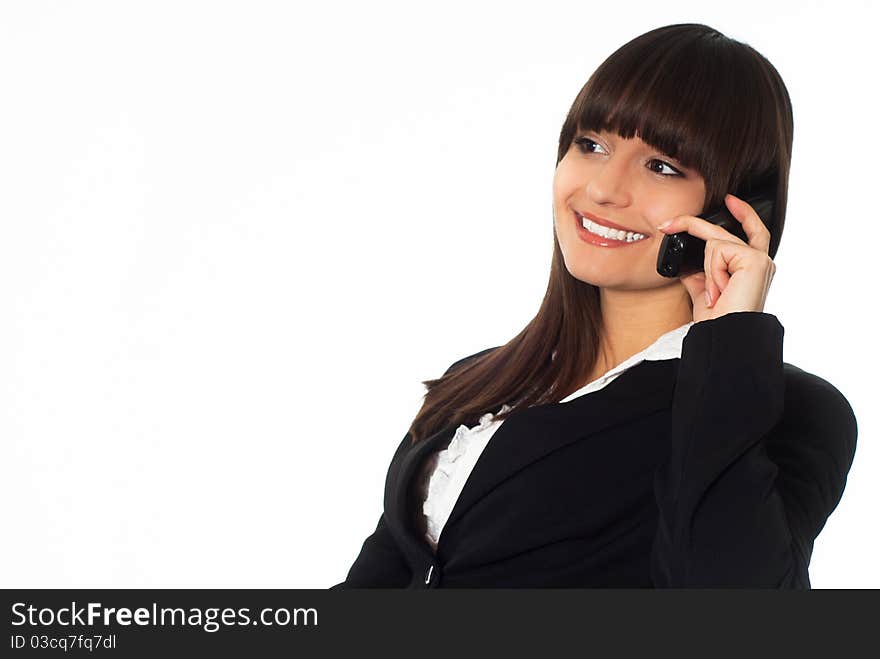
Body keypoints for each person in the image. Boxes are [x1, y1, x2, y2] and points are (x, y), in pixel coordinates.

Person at [330, 23, 857, 588]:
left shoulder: (785, 409)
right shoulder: (483, 379)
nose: (604, 188)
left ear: (737, 211)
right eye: (592, 145)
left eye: (662, 166)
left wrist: (729, 343)